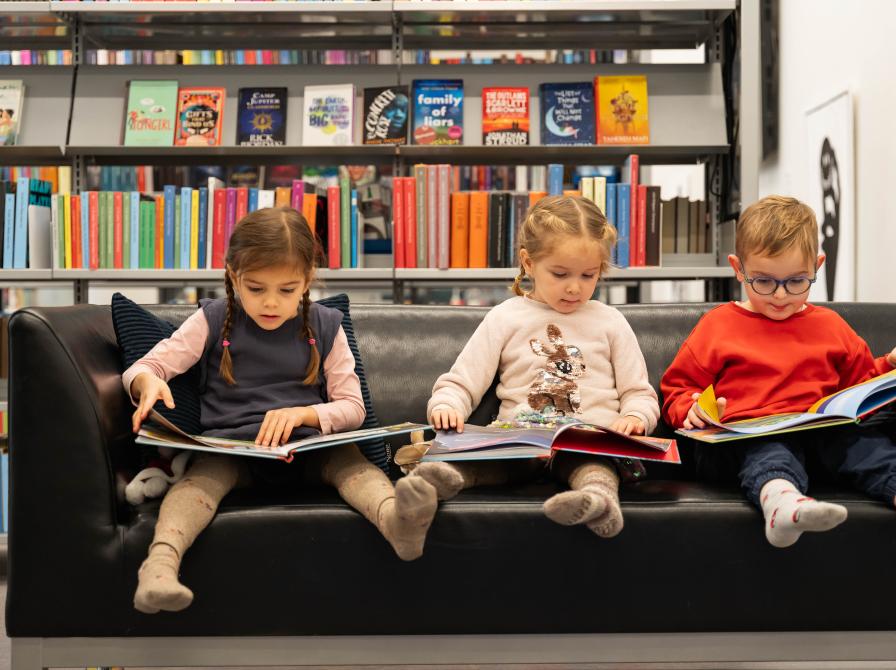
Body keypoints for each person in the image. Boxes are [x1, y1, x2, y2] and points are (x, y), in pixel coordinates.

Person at [124, 207, 438, 614]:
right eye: (255, 289)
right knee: (195, 487)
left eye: (287, 290)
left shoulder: (326, 325)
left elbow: (353, 407)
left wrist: (305, 414)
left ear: (308, 280)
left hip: (312, 450)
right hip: (233, 452)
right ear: (233, 276)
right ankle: (160, 568)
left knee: (357, 468)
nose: (271, 303)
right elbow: (148, 365)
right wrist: (145, 382)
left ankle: (397, 523)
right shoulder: (212, 319)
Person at [408, 195, 660, 538]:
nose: (574, 287)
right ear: (528, 263)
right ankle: (435, 483)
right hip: (520, 442)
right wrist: (447, 405)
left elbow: (638, 393)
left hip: (588, 442)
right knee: (491, 463)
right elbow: (462, 381)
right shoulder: (505, 317)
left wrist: (636, 417)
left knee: (591, 465)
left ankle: (598, 502)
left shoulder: (610, 321)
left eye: (589, 275)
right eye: (560, 273)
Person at [661, 195, 896, 548]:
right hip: (739, 441)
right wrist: (691, 408)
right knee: (771, 448)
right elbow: (677, 389)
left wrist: (888, 368)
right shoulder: (718, 326)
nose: (781, 295)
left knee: (864, 444)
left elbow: (860, 383)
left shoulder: (831, 326)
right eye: (765, 282)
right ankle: (782, 504)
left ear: (816, 266)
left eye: (797, 281)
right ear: (738, 268)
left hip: (817, 438)